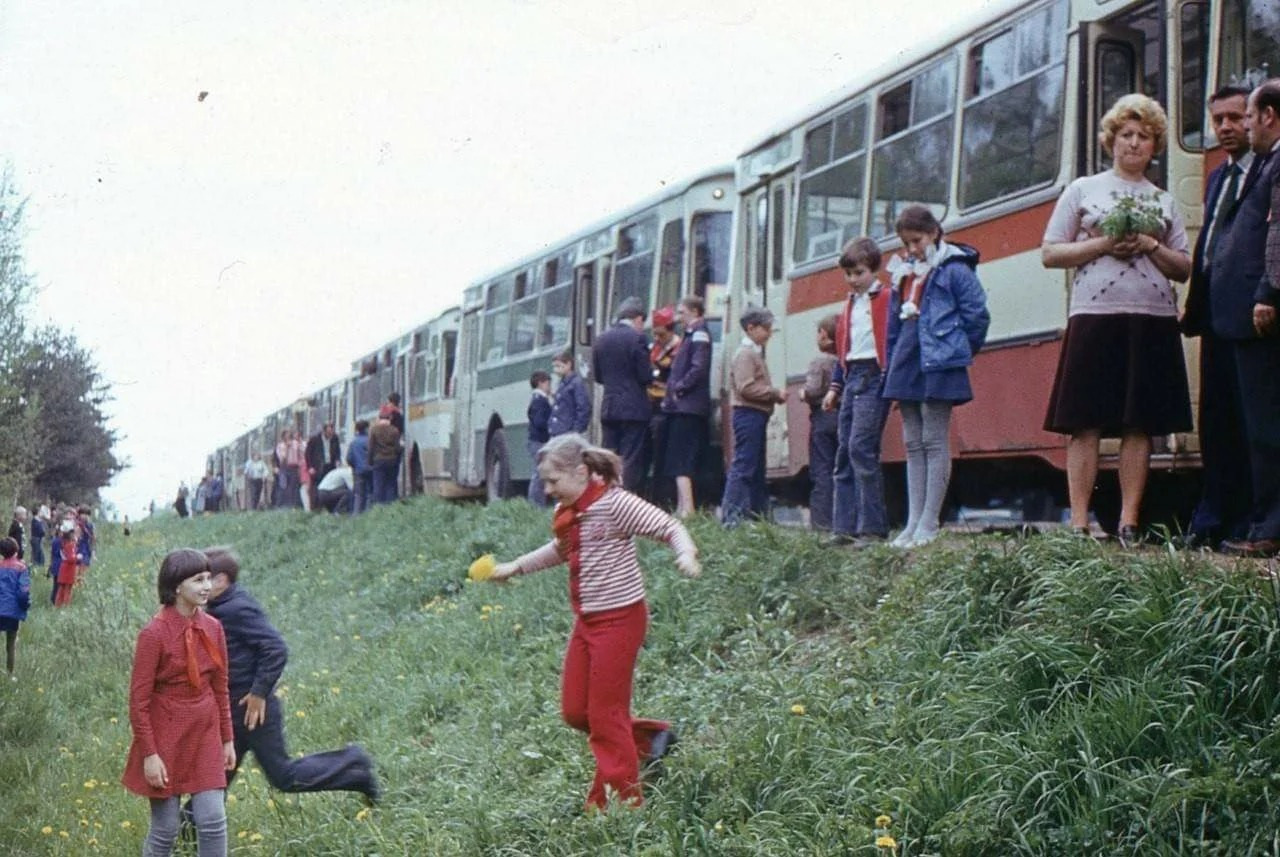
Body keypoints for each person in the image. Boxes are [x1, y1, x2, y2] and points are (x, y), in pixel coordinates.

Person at [486, 433, 700, 811]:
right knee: (575, 711)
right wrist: (516, 566)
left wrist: (685, 555)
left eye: (553, 481)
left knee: (605, 714)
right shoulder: (570, 511)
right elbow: (561, 549)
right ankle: (651, 742)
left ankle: (620, 804)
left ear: (582, 472)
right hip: (588, 622)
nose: (548, 489)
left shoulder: (614, 504)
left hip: (621, 620)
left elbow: (669, 526)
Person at [1042, 93, 1191, 545]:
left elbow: (1184, 266)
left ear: (1155, 145)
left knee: (1138, 422)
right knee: (1084, 421)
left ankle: (1128, 521)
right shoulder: (1084, 190)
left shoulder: (1163, 201)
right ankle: (1080, 522)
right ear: (1111, 140)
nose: (1134, 144)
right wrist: (1103, 244)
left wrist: (1150, 245)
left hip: (1150, 317)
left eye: (1144, 136)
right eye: (1126, 135)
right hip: (1095, 315)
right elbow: (1051, 251)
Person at [198, 547, 378, 803]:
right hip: (236, 711)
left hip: (254, 711)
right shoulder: (219, 607)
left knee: (284, 776)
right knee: (216, 778)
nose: (201, 586)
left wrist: (259, 693)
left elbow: (275, 648)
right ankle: (185, 835)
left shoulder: (235, 608)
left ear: (221, 580)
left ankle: (352, 761)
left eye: (205, 578)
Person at [883, 205, 990, 549]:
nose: (912, 249)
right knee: (912, 443)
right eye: (906, 243)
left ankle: (929, 522)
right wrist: (891, 364)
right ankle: (912, 523)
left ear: (934, 232)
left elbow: (977, 316)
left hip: (940, 360)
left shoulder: (954, 269)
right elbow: (892, 325)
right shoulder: (903, 273)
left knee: (934, 438)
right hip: (908, 358)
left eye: (917, 240)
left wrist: (958, 351)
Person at [120, 549, 235, 857]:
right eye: (198, 579)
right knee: (166, 828)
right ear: (175, 587)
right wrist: (150, 754)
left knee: (213, 819)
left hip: (205, 732)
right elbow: (139, 700)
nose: (207, 586)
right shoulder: (154, 634)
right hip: (166, 737)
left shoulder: (214, 628)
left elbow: (221, 687)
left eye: (209, 578)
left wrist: (227, 739)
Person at [1180, 85, 1255, 549]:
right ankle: (1214, 517)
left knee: (1251, 420)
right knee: (1216, 419)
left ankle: (1249, 518)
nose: (1226, 127)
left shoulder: (1267, 170)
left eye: (1235, 117)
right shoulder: (1217, 177)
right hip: (1213, 314)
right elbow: (1209, 242)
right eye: (1218, 120)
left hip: (1250, 314)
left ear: (1256, 118)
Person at [1219, 80, 1280, 557]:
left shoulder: (1276, 162)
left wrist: (1268, 291)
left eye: (1250, 117)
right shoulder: (1266, 162)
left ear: (1269, 117)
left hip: (1265, 313)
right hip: (1249, 312)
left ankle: (1269, 527)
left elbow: (1278, 233)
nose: (1244, 126)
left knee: (1266, 424)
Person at [824, 237, 892, 546]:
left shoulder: (886, 299)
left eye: (859, 273)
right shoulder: (849, 305)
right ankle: (844, 527)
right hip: (852, 377)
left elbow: (889, 341)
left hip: (873, 376)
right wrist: (835, 387)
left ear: (873, 270)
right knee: (843, 452)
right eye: (849, 274)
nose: (853, 280)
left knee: (861, 448)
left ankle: (872, 528)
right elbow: (843, 349)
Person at [720, 307, 787, 527]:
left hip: (754, 415)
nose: (769, 333)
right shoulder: (746, 354)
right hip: (748, 414)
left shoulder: (750, 353)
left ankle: (756, 515)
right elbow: (745, 388)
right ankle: (732, 516)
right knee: (745, 465)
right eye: (766, 328)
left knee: (755, 467)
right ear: (751, 328)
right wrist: (774, 393)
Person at [592, 298, 654, 492]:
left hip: (609, 407)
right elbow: (645, 375)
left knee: (609, 455)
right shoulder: (637, 338)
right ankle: (626, 498)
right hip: (634, 409)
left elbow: (599, 377)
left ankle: (606, 495)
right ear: (637, 318)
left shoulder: (601, 339)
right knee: (631, 456)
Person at [661, 296, 713, 518]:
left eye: (682, 312)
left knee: (682, 458)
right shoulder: (692, 333)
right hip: (684, 406)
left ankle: (687, 508)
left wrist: (679, 388)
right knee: (679, 457)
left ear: (694, 311)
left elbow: (698, 367)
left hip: (687, 406)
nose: (678, 317)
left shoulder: (699, 333)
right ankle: (684, 507)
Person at [802, 315, 839, 531]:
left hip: (823, 417)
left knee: (822, 470)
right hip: (841, 416)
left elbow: (814, 389)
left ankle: (822, 523)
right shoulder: (842, 361)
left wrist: (802, 393)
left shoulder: (820, 362)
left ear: (824, 335)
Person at [646, 305, 681, 504]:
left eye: (660, 334)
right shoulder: (656, 347)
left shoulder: (678, 348)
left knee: (665, 456)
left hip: (667, 407)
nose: (657, 339)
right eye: (655, 334)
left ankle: (664, 500)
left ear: (670, 330)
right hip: (652, 404)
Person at [0, 537, 30, 679]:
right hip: (12, 611)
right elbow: (23, 593)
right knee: (10, 644)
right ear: (16, 550)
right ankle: (9, 674)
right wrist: (25, 607)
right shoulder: (21, 568)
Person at [548, 350, 591, 438]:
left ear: (568, 364)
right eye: (554, 366)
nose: (555, 370)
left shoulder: (576, 383)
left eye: (558, 366)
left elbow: (583, 407)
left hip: (567, 431)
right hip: (560, 430)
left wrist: (576, 430)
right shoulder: (562, 383)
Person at [527, 371, 553, 506]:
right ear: (541, 383)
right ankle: (536, 503)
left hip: (536, 441)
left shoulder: (538, 399)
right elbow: (539, 422)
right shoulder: (540, 400)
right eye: (548, 383)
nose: (550, 387)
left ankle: (537, 503)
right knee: (539, 474)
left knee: (539, 473)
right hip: (539, 441)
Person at [368, 410, 402, 505]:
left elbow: (371, 447)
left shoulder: (374, 430)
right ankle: (390, 508)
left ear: (379, 418)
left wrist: (370, 461)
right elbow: (397, 448)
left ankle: (378, 508)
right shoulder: (394, 430)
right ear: (389, 418)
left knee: (378, 485)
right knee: (391, 485)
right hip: (392, 460)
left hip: (378, 460)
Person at [305, 424, 340, 510]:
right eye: (328, 433)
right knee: (316, 487)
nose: (330, 435)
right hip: (318, 467)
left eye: (331, 433)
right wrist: (310, 467)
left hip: (330, 466)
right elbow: (307, 454)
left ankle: (329, 508)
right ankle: (315, 508)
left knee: (330, 487)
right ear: (323, 431)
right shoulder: (314, 439)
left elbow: (337, 451)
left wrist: (337, 460)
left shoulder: (335, 438)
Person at [51, 519, 81, 607]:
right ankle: (65, 604)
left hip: (62, 568)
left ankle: (58, 604)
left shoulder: (61, 542)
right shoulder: (70, 545)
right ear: (71, 534)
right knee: (67, 588)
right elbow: (71, 558)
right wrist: (78, 557)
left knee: (60, 588)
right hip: (68, 569)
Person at [345, 420, 373, 515]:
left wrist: (355, 466)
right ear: (366, 429)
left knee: (359, 494)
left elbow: (349, 458)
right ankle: (368, 515)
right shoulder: (369, 441)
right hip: (370, 470)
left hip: (358, 471)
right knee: (370, 493)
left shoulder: (353, 442)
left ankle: (356, 516)